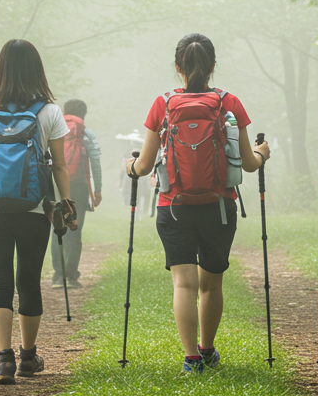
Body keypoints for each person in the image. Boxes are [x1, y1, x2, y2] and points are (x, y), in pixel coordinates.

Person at [126, 33, 270, 374]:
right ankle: (207, 350)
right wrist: (263, 154)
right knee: (211, 282)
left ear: (178, 67)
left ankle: (191, 359)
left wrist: (129, 167)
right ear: (213, 66)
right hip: (219, 206)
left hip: (173, 205)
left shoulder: (162, 104)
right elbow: (248, 164)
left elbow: (144, 166)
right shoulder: (229, 102)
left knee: (184, 283)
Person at [0, 39, 74, 385]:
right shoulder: (50, 111)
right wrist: (65, 205)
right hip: (34, 209)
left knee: (0, 283)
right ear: (36, 69)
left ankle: (3, 361)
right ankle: (28, 357)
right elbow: (58, 167)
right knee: (28, 281)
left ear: (1, 68)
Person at [52, 99, 102, 288]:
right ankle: (71, 277)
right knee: (74, 230)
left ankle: (58, 277)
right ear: (83, 115)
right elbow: (95, 162)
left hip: (56, 183)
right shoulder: (86, 134)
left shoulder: (54, 129)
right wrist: (97, 189)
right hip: (78, 185)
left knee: (57, 228)